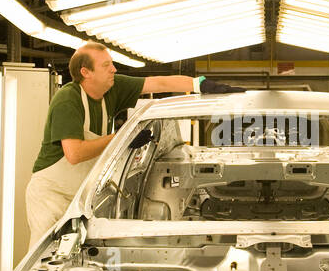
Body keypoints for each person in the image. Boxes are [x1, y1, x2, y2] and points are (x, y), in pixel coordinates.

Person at [24, 41, 241, 241]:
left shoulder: (112, 88)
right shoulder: (68, 98)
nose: (114, 69)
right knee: (47, 263)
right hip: (50, 197)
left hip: (81, 194)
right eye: (106, 65)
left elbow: (158, 83)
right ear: (86, 72)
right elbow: (75, 154)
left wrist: (199, 84)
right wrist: (123, 137)